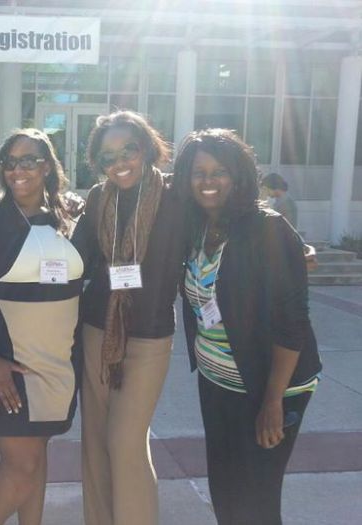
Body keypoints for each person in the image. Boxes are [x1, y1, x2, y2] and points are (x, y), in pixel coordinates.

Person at [173, 129, 322, 525]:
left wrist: (272, 401)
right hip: (217, 380)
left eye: (219, 171)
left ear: (238, 175)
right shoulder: (196, 226)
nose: (208, 181)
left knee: (256, 499)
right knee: (225, 490)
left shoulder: (265, 228)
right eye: (198, 172)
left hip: (270, 385)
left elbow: (293, 323)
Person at [0, 128, 84, 525]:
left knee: (35, 458)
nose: (19, 169)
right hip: (5, 367)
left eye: (30, 160)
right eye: (10, 162)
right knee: (20, 465)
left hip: (58, 367)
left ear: (47, 165)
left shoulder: (68, 219)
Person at [73, 110, 185, 525]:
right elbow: (77, 255)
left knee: (125, 441)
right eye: (107, 156)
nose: (119, 162)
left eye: (128, 150)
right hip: (96, 331)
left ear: (147, 149)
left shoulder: (175, 197)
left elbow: (221, 222)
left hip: (149, 337)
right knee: (97, 441)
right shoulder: (98, 199)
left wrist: (287, 245)